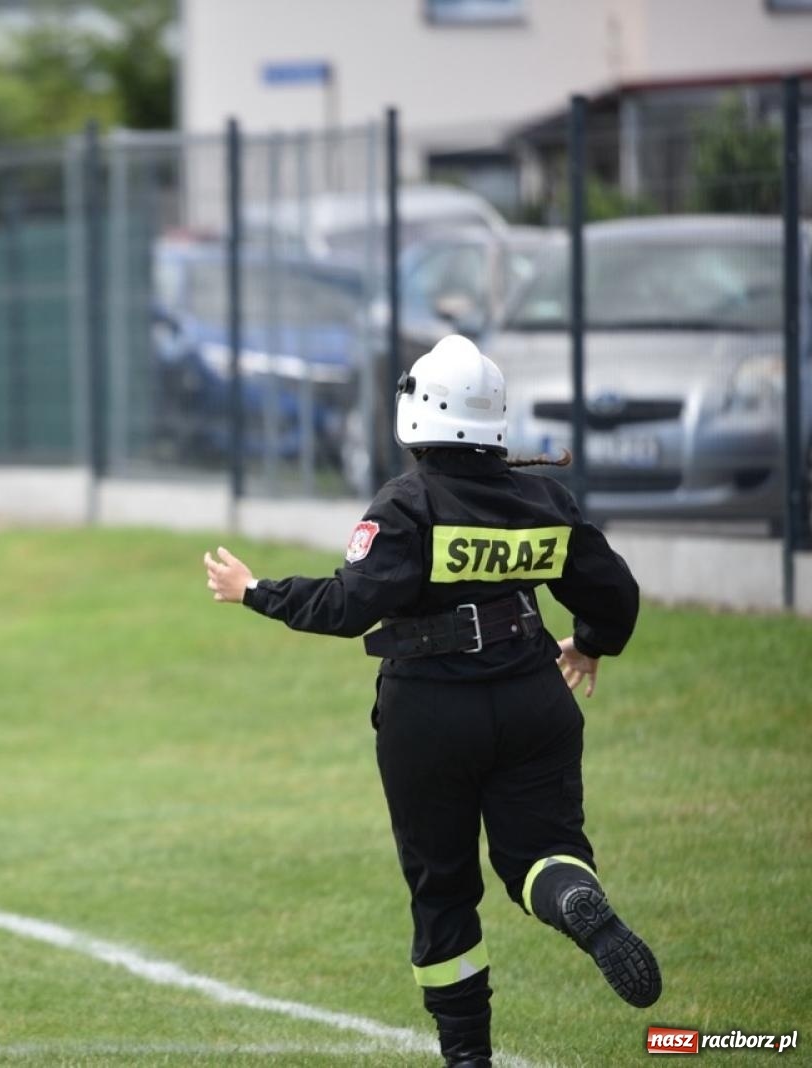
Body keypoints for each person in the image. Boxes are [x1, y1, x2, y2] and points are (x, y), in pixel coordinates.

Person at [202, 335, 659, 1068]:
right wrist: (593, 642)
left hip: (429, 713)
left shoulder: (406, 506)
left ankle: (468, 1058)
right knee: (544, 854)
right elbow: (614, 590)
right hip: (535, 698)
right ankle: (575, 900)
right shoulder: (543, 499)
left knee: (443, 890)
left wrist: (254, 591)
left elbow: (350, 606)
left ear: (416, 412)